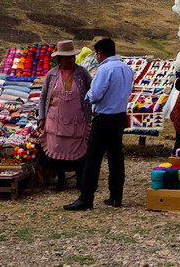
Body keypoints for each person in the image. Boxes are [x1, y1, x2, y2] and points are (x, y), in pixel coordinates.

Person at [64, 38, 133, 211]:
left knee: (93, 159)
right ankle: (116, 196)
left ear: (100, 53)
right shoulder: (126, 69)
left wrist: (88, 98)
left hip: (104, 118)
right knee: (115, 158)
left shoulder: (105, 69)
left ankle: (86, 198)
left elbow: (95, 95)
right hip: (119, 117)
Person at [38, 40, 92, 191]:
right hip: (56, 121)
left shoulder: (82, 73)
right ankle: (61, 180)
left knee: (79, 150)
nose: (70, 60)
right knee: (58, 150)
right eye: (66, 57)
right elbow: (43, 97)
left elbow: (93, 91)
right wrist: (42, 118)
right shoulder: (52, 75)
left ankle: (80, 180)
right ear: (59, 59)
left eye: (72, 57)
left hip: (77, 120)